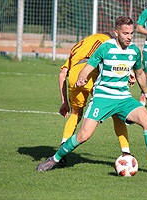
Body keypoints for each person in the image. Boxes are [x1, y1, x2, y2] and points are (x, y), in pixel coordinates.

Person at [37, 16, 147, 175]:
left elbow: (139, 74)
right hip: (103, 97)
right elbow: (89, 67)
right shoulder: (105, 48)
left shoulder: (135, 51)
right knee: (83, 135)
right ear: (116, 32)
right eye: (125, 33)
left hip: (124, 98)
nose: (129, 37)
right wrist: (82, 78)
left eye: (131, 33)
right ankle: (54, 159)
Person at [57, 33, 133, 166]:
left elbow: (62, 73)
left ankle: (63, 147)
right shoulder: (106, 41)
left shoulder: (78, 46)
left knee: (75, 114)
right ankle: (126, 152)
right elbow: (114, 59)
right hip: (89, 72)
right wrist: (130, 72)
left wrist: (64, 102)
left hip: (74, 75)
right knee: (116, 112)